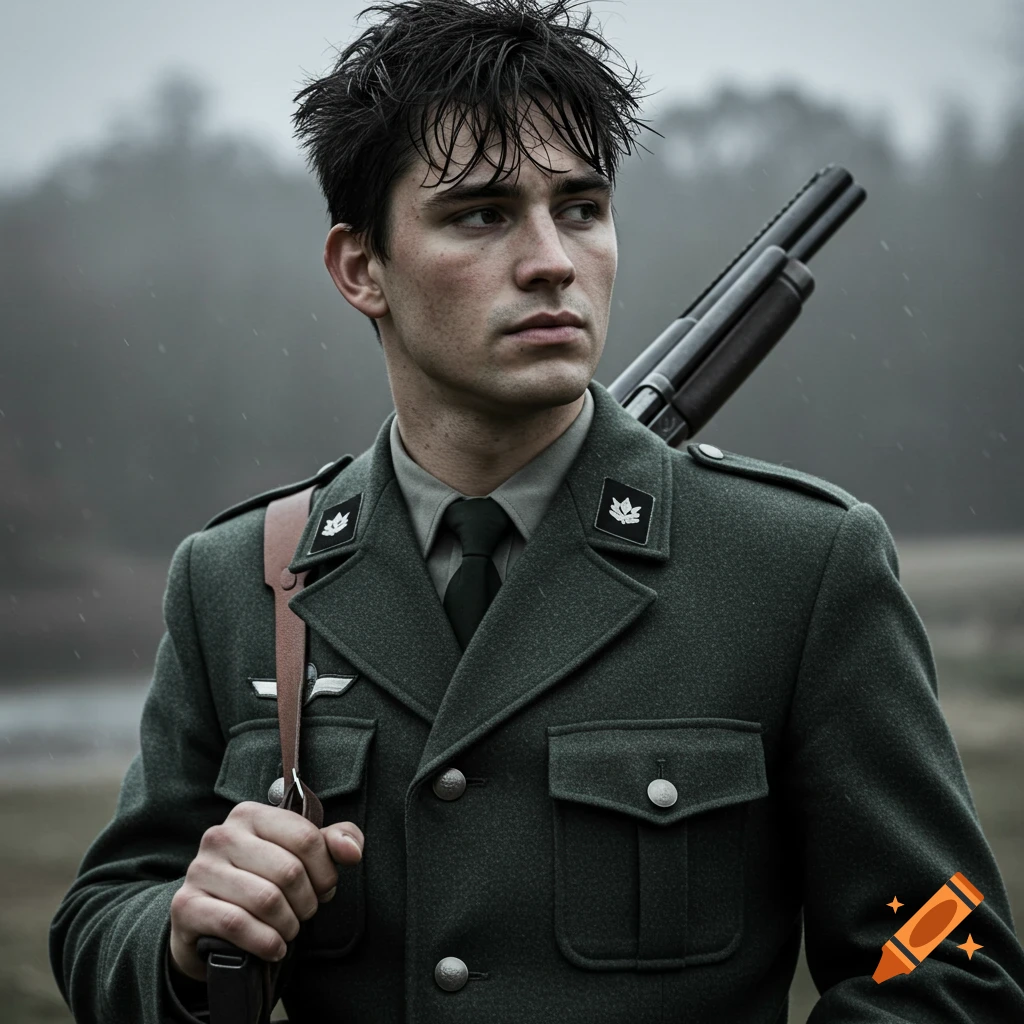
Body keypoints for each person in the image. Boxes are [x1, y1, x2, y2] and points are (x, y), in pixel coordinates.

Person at [50, 1, 1024, 1021]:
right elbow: (102, 918)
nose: (553, 258)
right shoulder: (237, 578)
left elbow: (944, 949)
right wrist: (178, 933)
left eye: (581, 206)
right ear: (359, 267)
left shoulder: (797, 564)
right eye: (481, 213)